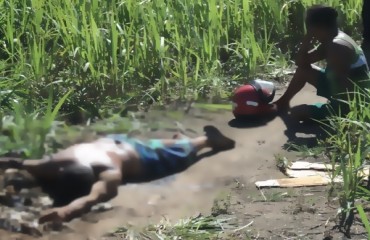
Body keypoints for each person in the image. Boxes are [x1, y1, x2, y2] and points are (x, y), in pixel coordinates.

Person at [0, 125, 235, 224]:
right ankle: (180, 141)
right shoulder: (53, 164)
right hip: (120, 144)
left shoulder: (108, 173)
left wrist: (68, 209)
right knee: (155, 145)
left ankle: (206, 141)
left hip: (141, 160)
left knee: (180, 155)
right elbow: (14, 162)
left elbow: (95, 197)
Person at [274, 5, 370, 122]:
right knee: (303, 70)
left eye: (310, 29)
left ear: (317, 28)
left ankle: (339, 119)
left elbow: (344, 92)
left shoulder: (337, 47)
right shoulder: (332, 38)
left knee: (298, 112)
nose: (311, 33)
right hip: (339, 88)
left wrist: (325, 110)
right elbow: (301, 62)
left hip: (352, 103)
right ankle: (282, 102)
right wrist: (307, 40)